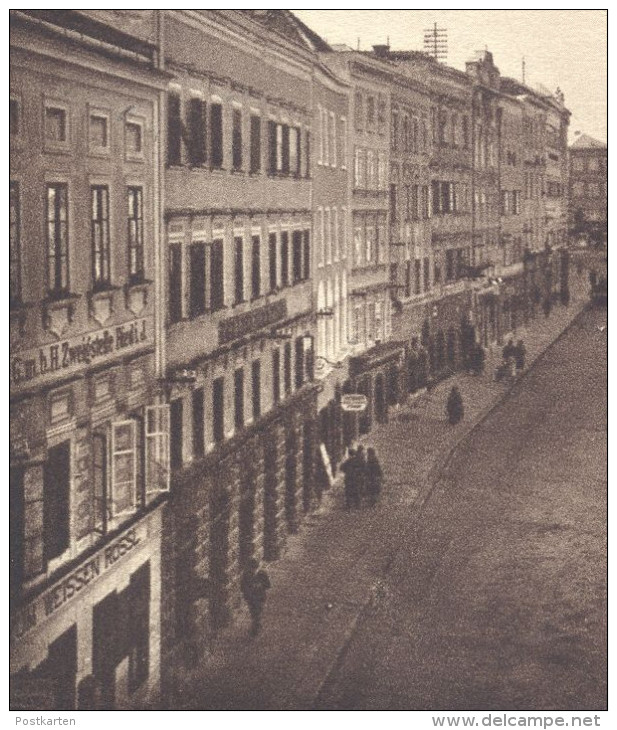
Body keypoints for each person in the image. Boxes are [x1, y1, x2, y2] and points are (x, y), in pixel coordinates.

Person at [241, 558, 271, 637]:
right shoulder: (246, 575)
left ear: (257, 568)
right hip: (250, 598)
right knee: (253, 612)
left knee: (257, 612)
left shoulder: (262, 574)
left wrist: (260, 585)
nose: (252, 571)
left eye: (254, 569)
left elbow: (268, 585)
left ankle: (256, 628)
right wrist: (247, 592)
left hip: (260, 597)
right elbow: (242, 587)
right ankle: (256, 625)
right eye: (251, 569)